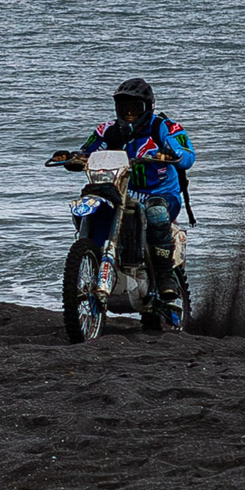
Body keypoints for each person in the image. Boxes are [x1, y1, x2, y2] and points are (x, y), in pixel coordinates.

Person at [74, 77, 196, 327]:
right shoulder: (107, 130)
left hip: (160, 194)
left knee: (157, 214)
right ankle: (93, 255)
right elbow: (87, 150)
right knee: (88, 203)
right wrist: (74, 157)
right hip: (119, 192)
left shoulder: (164, 128)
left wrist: (172, 154)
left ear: (148, 108)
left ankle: (165, 280)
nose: (128, 114)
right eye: (123, 108)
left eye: (134, 108)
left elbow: (187, 155)